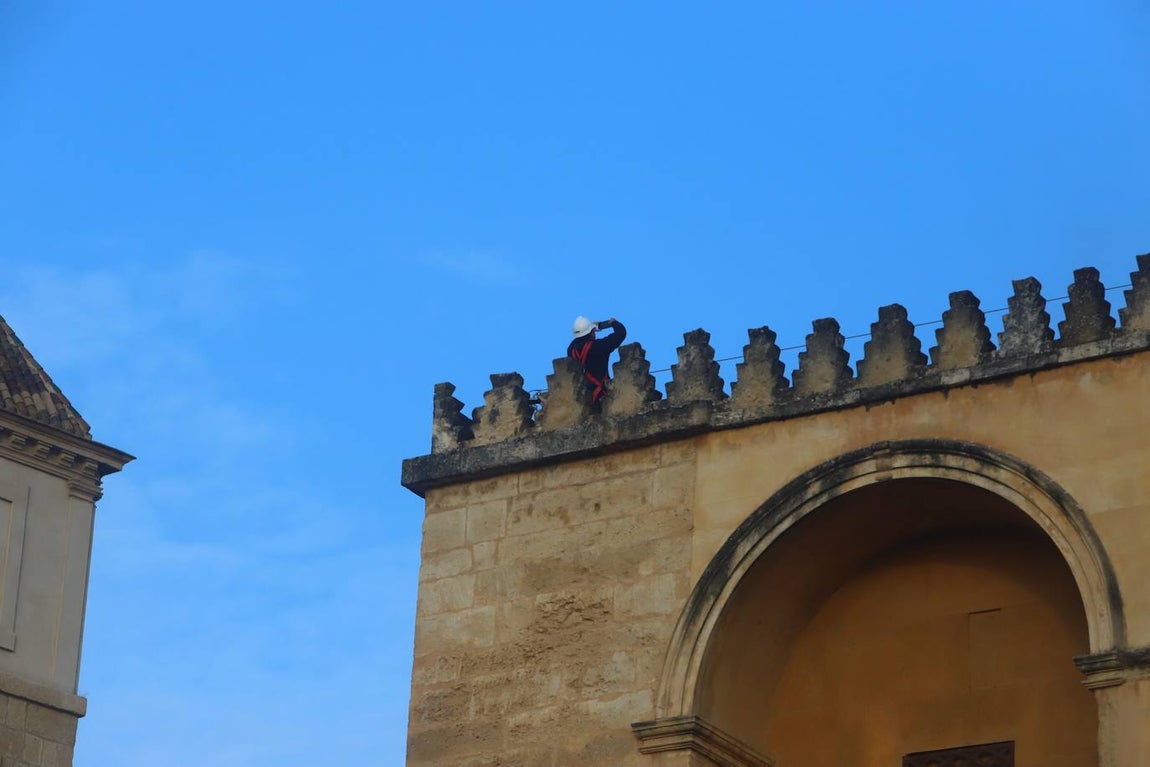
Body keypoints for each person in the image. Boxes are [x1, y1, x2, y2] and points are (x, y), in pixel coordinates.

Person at [567, 316, 627, 404]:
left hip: (583, 395)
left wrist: (591, 329)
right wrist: (613, 323)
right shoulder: (598, 347)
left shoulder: (571, 350)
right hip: (601, 395)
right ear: (591, 332)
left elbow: (577, 341)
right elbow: (621, 333)